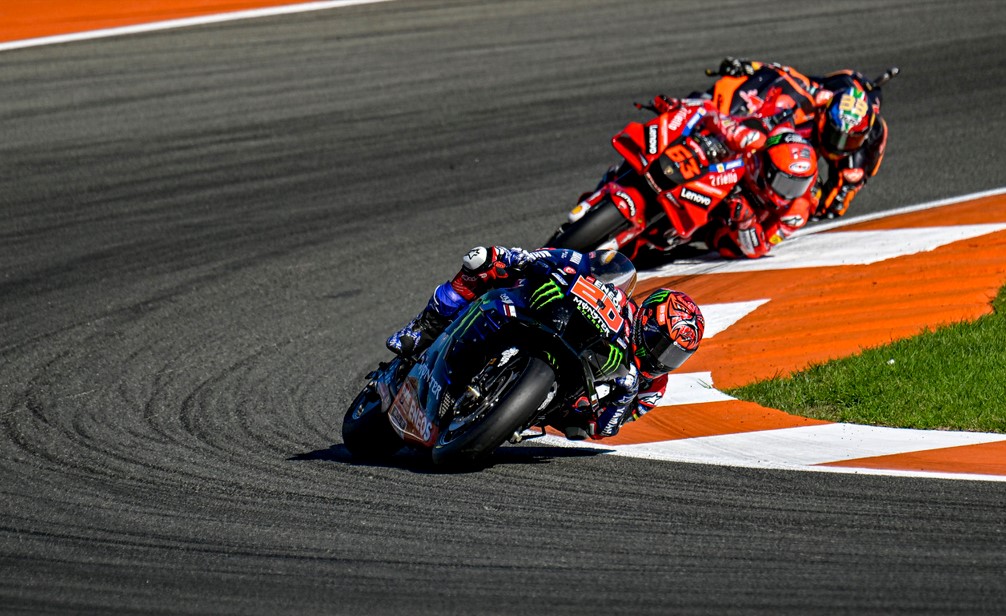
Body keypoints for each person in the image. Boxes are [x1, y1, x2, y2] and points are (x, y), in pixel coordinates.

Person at [386, 246, 705, 440]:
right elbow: (577, 262)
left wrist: (610, 406)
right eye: (661, 344)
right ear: (646, 321)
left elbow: (608, 429)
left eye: (675, 355)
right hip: (548, 326)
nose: (663, 358)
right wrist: (522, 260)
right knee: (482, 261)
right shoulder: (619, 303)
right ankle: (422, 327)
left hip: (569, 401)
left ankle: (494, 414)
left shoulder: (653, 387)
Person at [714, 57, 889, 219]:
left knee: (830, 206)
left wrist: (809, 196)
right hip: (835, 89)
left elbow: (826, 208)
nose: (839, 145)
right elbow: (787, 76)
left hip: (856, 122)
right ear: (823, 117)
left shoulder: (867, 144)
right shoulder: (817, 99)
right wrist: (750, 67)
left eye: (849, 141)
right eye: (835, 136)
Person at [710, 130, 820, 259]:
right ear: (769, 169)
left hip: (744, 215)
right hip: (721, 174)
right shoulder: (754, 141)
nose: (789, 193)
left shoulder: (796, 214)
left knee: (729, 249)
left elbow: (759, 249)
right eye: (784, 183)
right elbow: (718, 120)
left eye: (799, 186)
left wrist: (747, 222)